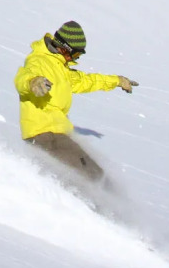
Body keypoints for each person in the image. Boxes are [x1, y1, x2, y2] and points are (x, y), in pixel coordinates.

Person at [14, 21, 137, 183]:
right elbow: (23, 77)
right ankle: (86, 205)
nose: (77, 59)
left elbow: (86, 80)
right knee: (82, 178)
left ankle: (108, 205)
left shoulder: (61, 68)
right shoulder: (40, 61)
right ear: (66, 49)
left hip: (58, 133)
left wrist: (116, 81)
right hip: (43, 133)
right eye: (77, 54)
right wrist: (33, 82)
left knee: (96, 175)